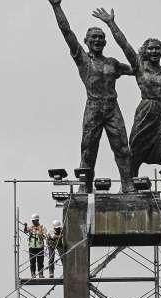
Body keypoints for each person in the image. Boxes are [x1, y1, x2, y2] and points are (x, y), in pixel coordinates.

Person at [92, 8, 161, 185]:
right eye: (151, 48)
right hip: (145, 110)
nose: (154, 51)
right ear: (146, 51)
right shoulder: (139, 66)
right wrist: (111, 24)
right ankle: (129, 184)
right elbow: (124, 44)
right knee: (133, 148)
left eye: (157, 48)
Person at [48, 0, 136, 193]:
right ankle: (85, 186)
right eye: (93, 37)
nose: (97, 40)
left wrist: (111, 24)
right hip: (94, 106)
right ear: (86, 41)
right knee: (88, 150)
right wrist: (56, 7)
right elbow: (66, 31)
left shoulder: (113, 63)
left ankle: (128, 184)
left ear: (105, 42)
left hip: (112, 107)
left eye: (100, 37)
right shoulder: (82, 58)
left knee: (122, 148)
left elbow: (138, 70)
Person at [24, 213, 47, 278]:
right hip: (32, 247)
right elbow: (25, 231)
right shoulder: (31, 227)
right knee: (32, 262)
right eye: (32, 221)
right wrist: (25, 226)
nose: (33, 222)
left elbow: (45, 235)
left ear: (37, 220)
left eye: (34, 221)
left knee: (40, 262)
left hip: (40, 247)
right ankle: (33, 273)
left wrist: (40, 232)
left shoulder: (42, 227)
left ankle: (40, 274)